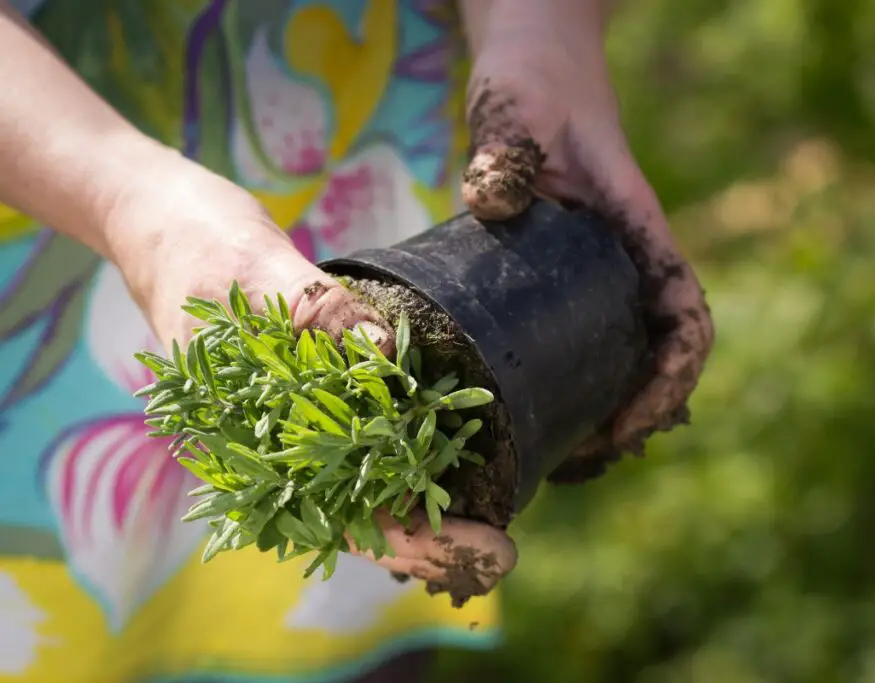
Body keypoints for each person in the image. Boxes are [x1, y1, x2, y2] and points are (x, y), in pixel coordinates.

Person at [0, 0, 713, 681]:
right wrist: (130, 204)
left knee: (353, 570)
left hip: (371, 180)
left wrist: (542, 36)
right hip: (41, 216)